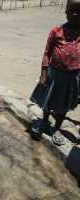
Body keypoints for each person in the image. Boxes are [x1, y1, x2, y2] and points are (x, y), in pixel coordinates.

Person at [30, 0, 80, 145]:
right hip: (54, 73)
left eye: (79, 11)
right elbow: (47, 53)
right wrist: (43, 74)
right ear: (66, 12)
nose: (75, 14)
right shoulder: (56, 31)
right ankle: (44, 122)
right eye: (71, 11)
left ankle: (57, 128)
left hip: (73, 76)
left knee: (64, 104)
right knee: (48, 100)